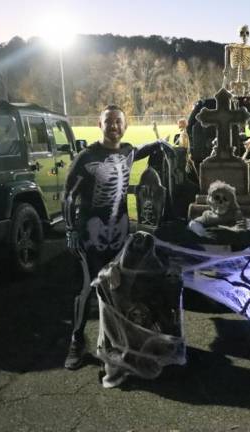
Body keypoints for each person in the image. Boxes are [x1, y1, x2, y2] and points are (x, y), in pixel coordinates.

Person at [62, 105, 175, 370]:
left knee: (117, 288)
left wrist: (160, 143)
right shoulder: (86, 157)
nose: (113, 126)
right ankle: (77, 341)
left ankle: (114, 340)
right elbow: (69, 195)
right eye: (108, 122)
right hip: (90, 234)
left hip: (120, 234)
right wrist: (70, 230)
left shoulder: (127, 151)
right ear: (99, 125)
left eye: (118, 122)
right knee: (86, 287)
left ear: (125, 127)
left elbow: (143, 149)